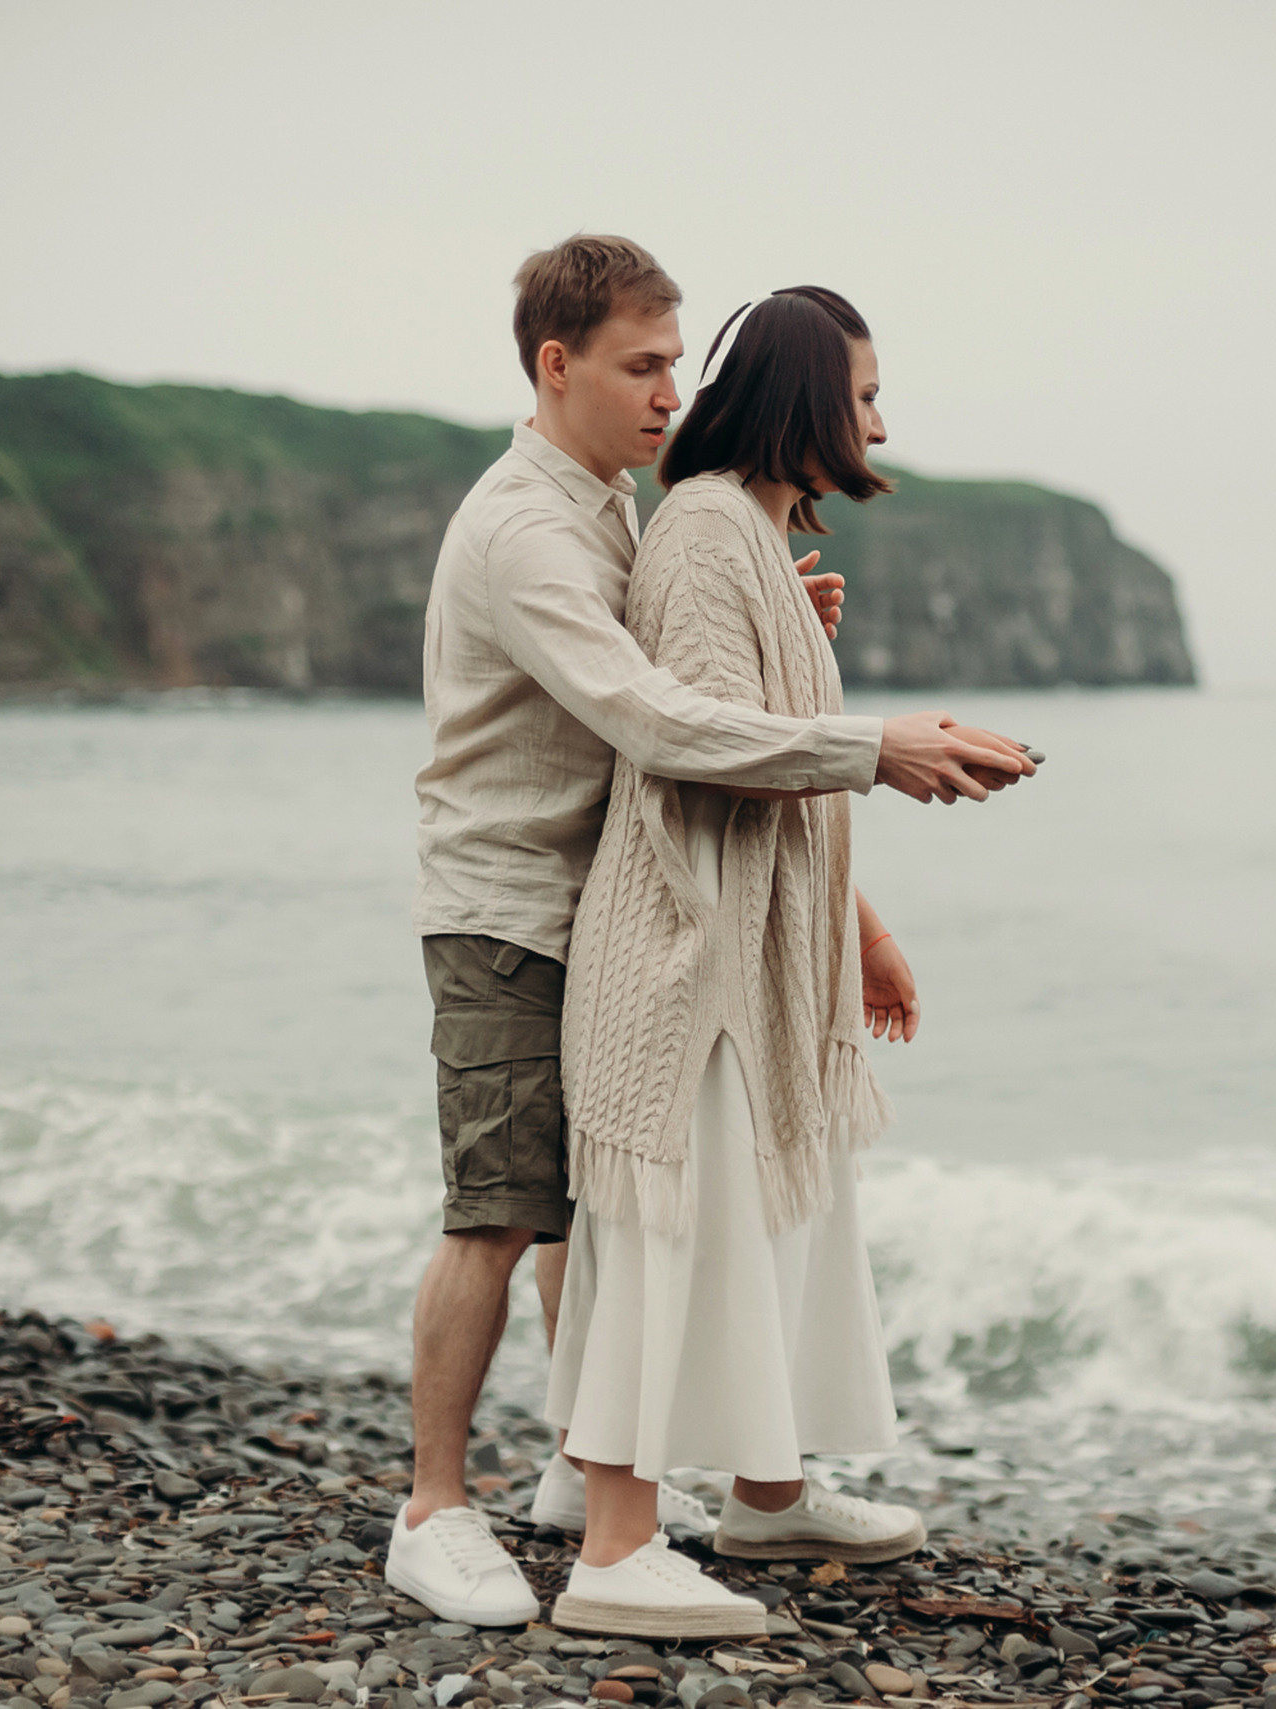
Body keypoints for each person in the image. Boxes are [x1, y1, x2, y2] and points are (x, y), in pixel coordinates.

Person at [389, 237, 1034, 1629]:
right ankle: (439, 1506)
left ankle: (609, 1486)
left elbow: (692, 667)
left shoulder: (626, 508)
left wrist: (779, 631)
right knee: (509, 1211)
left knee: (606, 1212)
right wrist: (871, 744)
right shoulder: (526, 527)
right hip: (514, 901)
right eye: (641, 363)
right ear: (554, 365)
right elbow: (652, 717)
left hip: (627, 891)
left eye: (678, 360)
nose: (671, 390)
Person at [544, 286, 1000, 1640]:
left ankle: (768, 1488)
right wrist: (880, 742)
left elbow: (758, 733)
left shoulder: (745, 536)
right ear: (805, 399)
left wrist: (860, 929)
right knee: (677, 1232)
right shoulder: (697, 533)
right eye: (860, 395)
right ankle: (616, 1552)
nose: (877, 420)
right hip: (688, 963)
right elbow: (687, 741)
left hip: (760, 952)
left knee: (780, 1221)